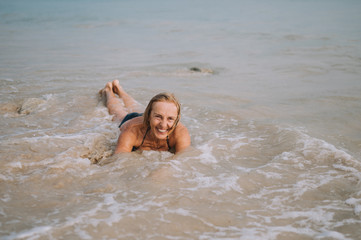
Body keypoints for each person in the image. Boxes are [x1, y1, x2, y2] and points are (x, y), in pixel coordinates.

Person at [99, 80, 191, 154]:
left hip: (148, 119)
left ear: (177, 119)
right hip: (133, 121)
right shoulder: (132, 130)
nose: (163, 125)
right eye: (158, 117)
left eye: (170, 118)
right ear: (148, 115)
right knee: (117, 110)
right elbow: (119, 160)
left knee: (134, 105)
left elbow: (183, 161)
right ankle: (108, 91)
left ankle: (119, 89)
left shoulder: (180, 132)